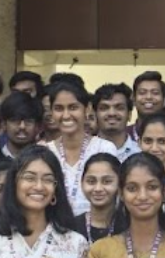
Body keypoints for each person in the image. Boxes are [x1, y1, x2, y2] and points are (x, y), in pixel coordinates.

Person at [87, 153, 165, 258]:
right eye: (132, 188)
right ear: (121, 194)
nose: (142, 196)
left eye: (152, 187)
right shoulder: (100, 251)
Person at [42, 84, 115, 215]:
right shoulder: (44, 152)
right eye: (59, 108)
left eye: (73, 107)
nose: (66, 115)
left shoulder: (104, 148)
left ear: (87, 109)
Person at [76, 154, 123, 242]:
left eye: (107, 181)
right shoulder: (70, 227)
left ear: (120, 184)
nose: (98, 189)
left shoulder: (129, 227)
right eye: (91, 181)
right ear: (82, 183)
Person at [90, 83, 136, 161]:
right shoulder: (84, 153)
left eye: (119, 108)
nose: (112, 113)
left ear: (129, 114)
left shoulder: (140, 153)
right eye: (104, 108)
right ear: (95, 114)